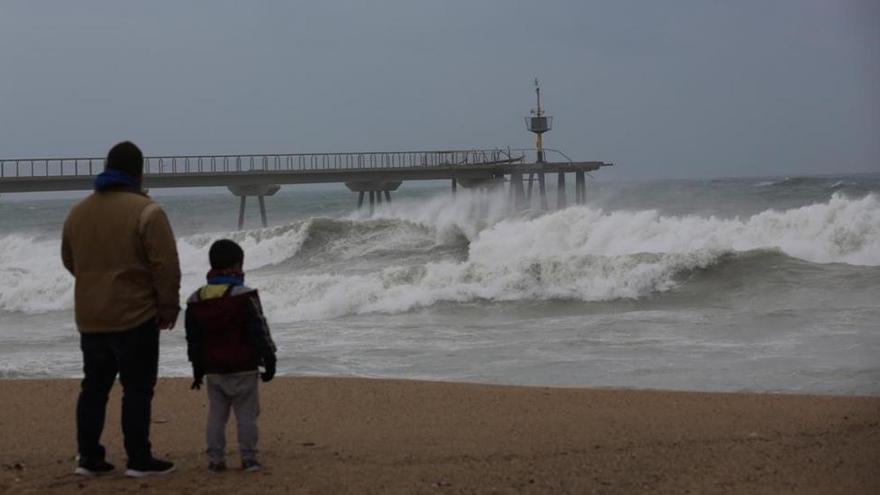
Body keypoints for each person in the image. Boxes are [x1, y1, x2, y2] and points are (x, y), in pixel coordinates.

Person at [61, 141, 181, 478]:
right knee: (137, 389)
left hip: (91, 317)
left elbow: (70, 261)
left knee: (94, 387)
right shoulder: (148, 211)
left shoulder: (77, 212)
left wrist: (95, 286)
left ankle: (88, 458)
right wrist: (167, 305)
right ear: (139, 172)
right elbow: (165, 266)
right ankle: (139, 459)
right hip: (135, 315)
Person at [185, 239, 277, 473]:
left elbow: (193, 340)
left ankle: (215, 460)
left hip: (213, 368)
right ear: (237, 266)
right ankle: (249, 459)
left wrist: (197, 370)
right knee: (247, 415)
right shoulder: (244, 296)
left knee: (216, 416)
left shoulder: (196, 299)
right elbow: (259, 329)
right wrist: (269, 358)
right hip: (244, 366)